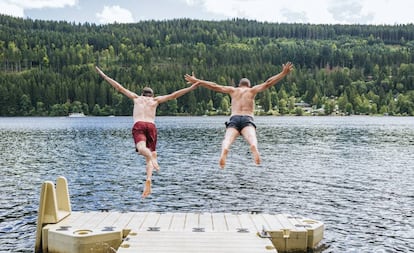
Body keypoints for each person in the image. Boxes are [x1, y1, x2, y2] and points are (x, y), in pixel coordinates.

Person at [96, 66, 199, 198]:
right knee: (150, 155)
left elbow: (119, 88)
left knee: (141, 148)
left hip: (139, 124)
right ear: (152, 95)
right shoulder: (155, 100)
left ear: (142, 94)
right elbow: (174, 95)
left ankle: (151, 157)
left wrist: (104, 76)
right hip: (151, 126)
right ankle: (149, 178)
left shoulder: (136, 98)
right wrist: (191, 88)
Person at [184, 62, 293, 169]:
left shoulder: (233, 90)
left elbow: (214, 86)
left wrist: (198, 81)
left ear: (239, 85)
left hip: (234, 118)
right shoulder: (252, 90)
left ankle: (225, 149)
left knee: (227, 139)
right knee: (251, 137)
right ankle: (253, 146)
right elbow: (268, 83)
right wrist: (283, 73)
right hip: (247, 118)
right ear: (248, 85)